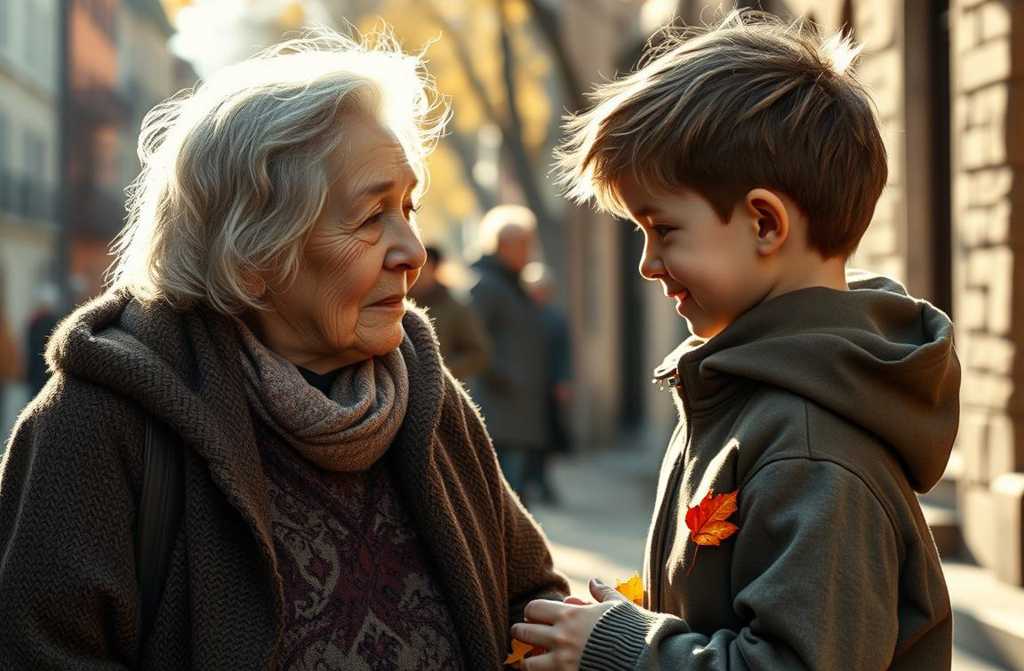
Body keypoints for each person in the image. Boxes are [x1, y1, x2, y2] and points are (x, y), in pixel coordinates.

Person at [0, 33, 567, 669]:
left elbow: (532, 604)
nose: (413, 252)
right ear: (251, 256)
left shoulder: (429, 401)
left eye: (408, 207)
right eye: (371, 216)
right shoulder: (99, 423)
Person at [513, 11, 960, 671]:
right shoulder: (742, 397)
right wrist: (627, 623)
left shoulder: (811, 450)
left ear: (764, 223)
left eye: (664, 230)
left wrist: (621, 647)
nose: (648, 264)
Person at [468, 205, 549, 500]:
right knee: (503, 499)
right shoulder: (487, 285)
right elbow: (474, 342)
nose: (529, 252)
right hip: (498, 411)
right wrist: (506, 378)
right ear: (503, 245)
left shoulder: (515, 285)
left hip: (518, 411)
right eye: (524, 244)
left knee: (515, 497)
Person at [522, 262, 573, 505]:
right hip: (526, 387)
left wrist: (562, 381)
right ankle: (530, 479)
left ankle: (542, 480)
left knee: (547, 435)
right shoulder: (522, 315)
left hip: (548, 386)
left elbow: (563, 353)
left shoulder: (556, 319)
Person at [409, 245, 491, 380]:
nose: (417, 274)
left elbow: (477, 353)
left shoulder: (455, 307)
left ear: (434, 269)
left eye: (422, 268)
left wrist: (440, 372)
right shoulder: (398, 304)